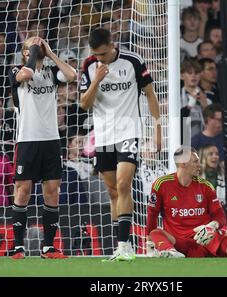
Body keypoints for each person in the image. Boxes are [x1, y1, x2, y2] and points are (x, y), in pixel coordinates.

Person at [79, 28, 161, 261]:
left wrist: (157, 131)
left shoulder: (132, 61)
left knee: (124, 184)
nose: (100, 59)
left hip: (129, 131)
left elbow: (150, 94)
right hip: (103, 136)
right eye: (96, 55)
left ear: (112, 44)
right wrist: (96, 80)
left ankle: (126, 245)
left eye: (103, 54)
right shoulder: (89, 65)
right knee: (113, 191)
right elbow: (84, 104)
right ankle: (121, 245)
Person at [8, 36, 77, 259]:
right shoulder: (16, 70)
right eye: (33, 46)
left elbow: (72, 75)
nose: (38, 47)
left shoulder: (50, 71)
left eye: (40, 44)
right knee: (23, 191)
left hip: (50, 139)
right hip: (27, 139)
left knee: (52, 192)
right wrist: (34, 50)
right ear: (25, 53)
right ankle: (18, 247)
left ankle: (49, 247)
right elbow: (26, 75)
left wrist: (51, 54)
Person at [146, 146, 227, 258]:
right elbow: (152, 214)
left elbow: (220, 215)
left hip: (206, 236)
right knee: (155, 233)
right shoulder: (161, 185)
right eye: (195, 162)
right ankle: (170, 252)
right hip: (178, 240)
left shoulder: (206, 186)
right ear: (182, 164)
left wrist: (212, 226)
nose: (199, 165)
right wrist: (149, 239)